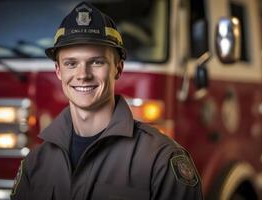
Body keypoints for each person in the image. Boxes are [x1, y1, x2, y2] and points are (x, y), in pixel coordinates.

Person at [10, 1, 203, 200]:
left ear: (118, 69)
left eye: (96, 62)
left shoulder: (160, 159)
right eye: (71, 63)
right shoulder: (35, 163)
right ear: (59, 71)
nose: (82, 74)